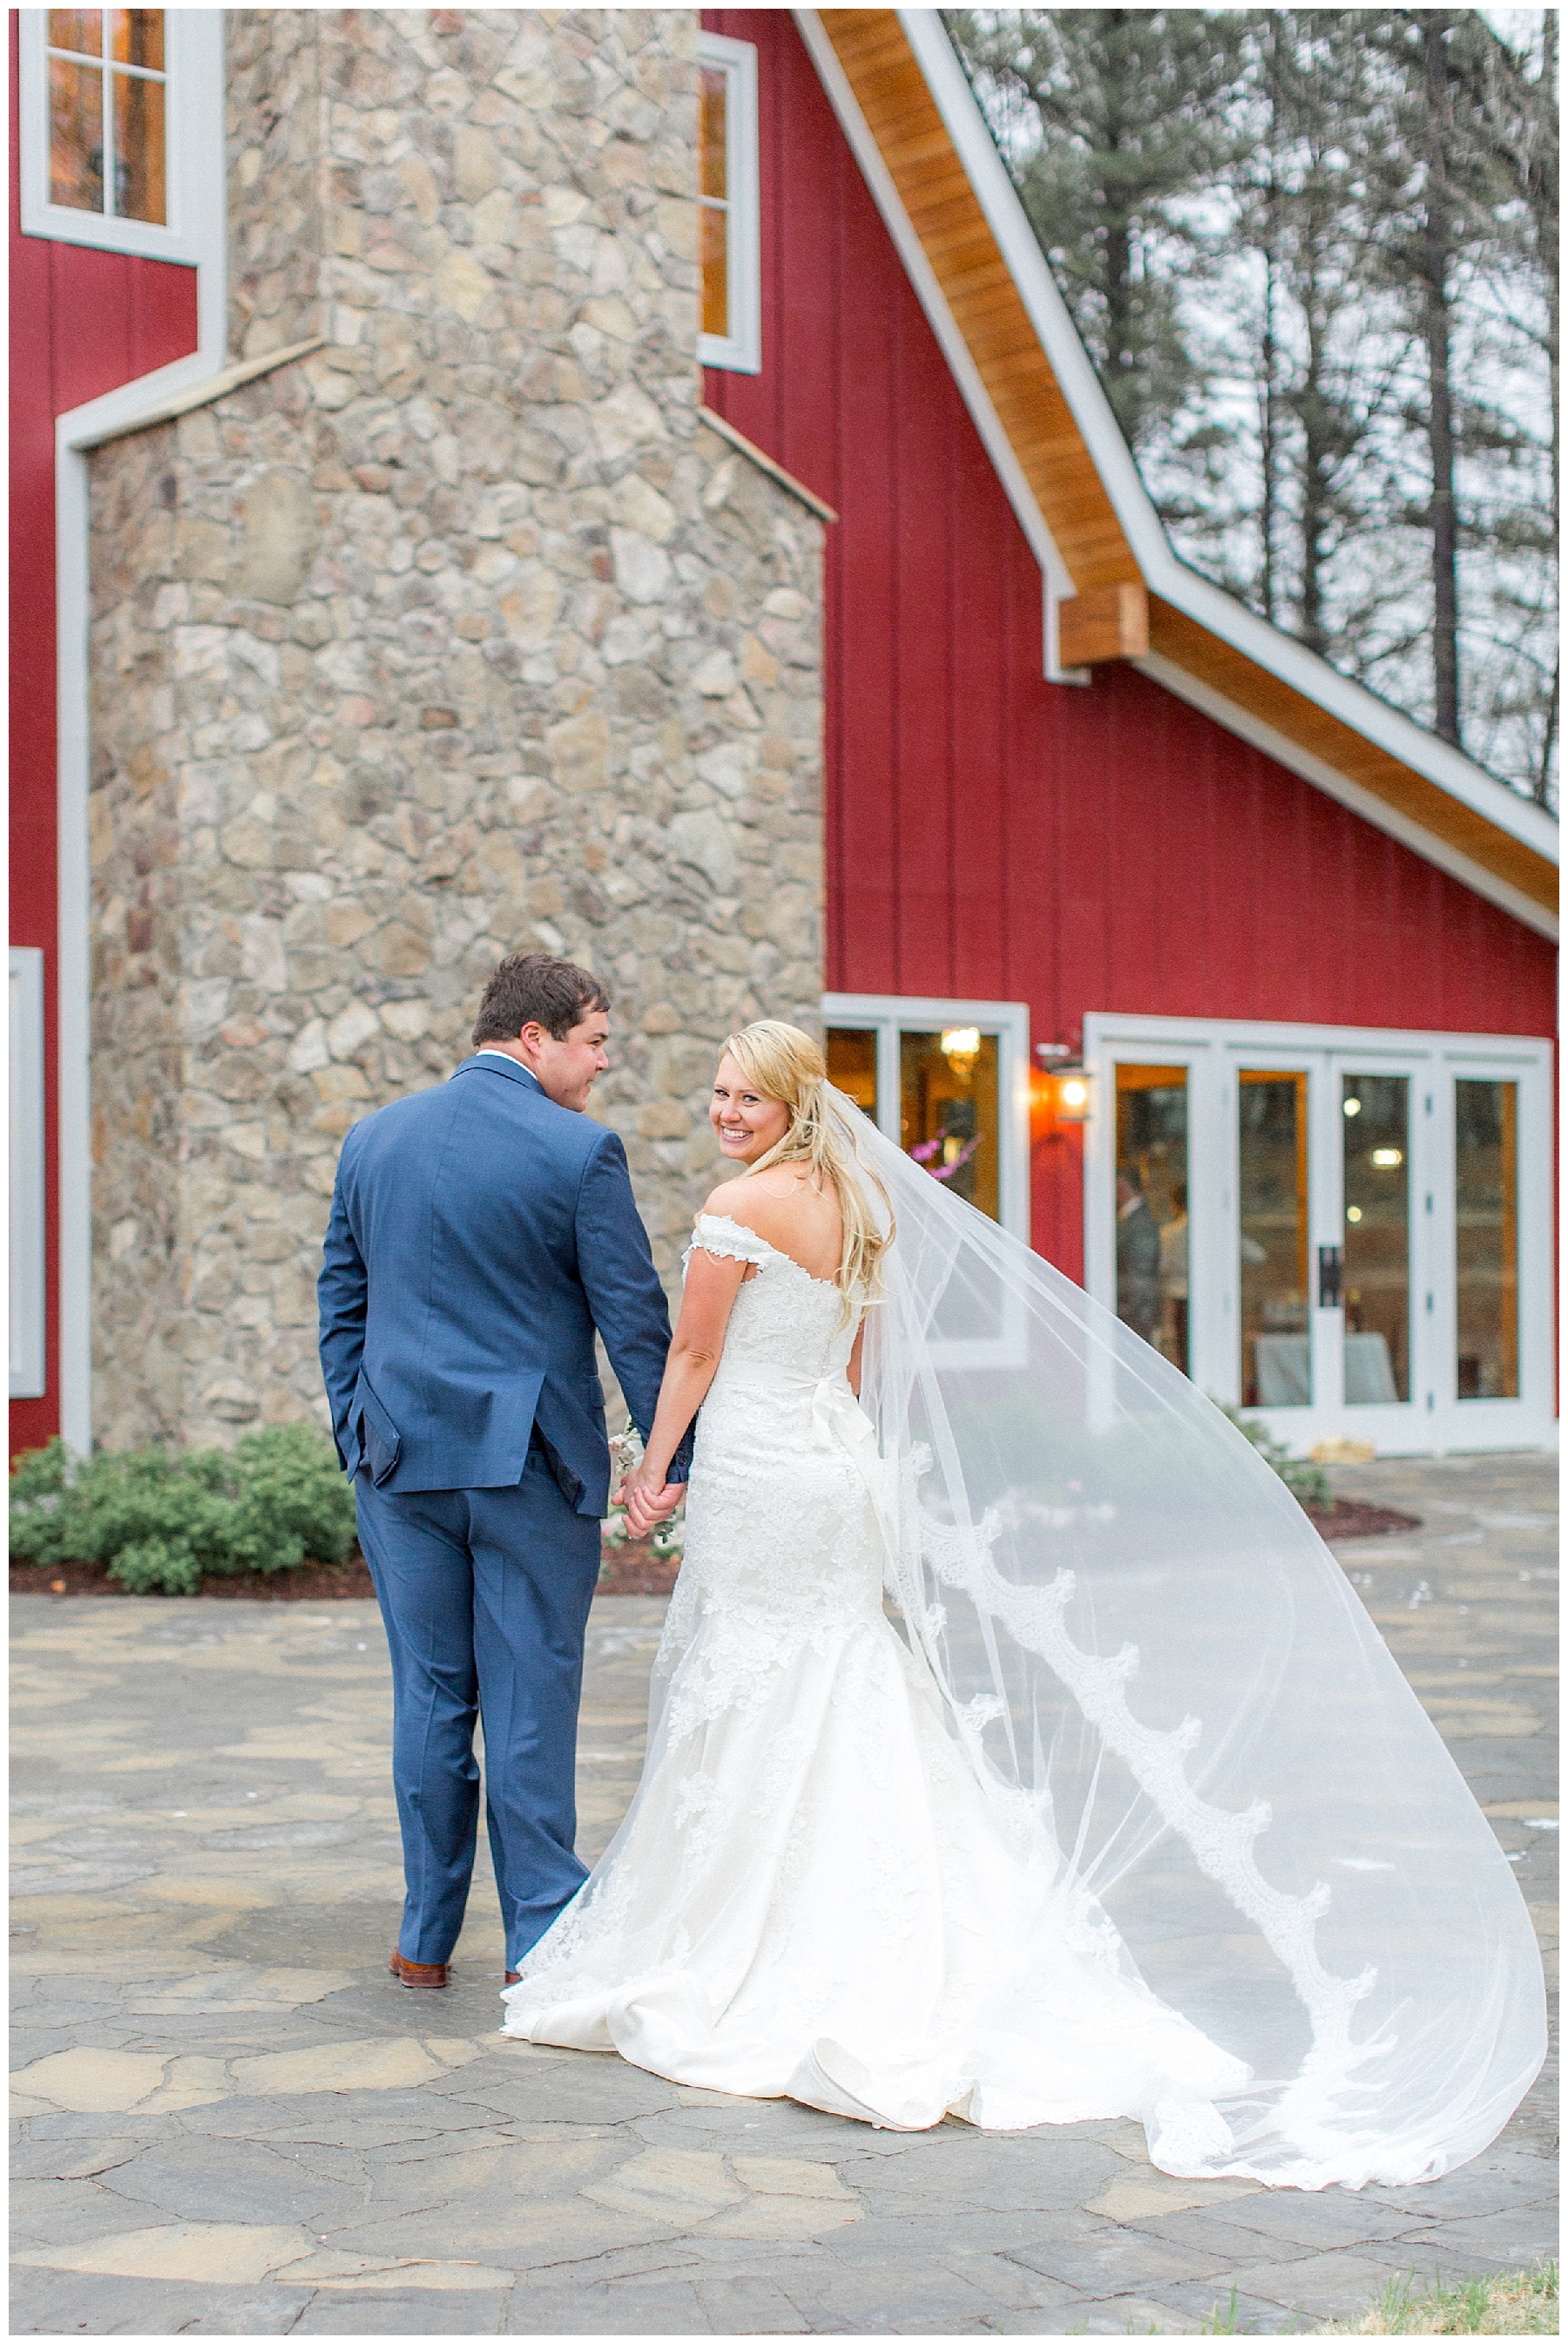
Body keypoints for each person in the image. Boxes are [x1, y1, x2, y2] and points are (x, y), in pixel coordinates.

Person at [500, 1020, 1544, 2188]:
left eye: (744, 1094)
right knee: (833, 1664)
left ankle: (745, 1936)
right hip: (830, 1463)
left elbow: (692, 1354)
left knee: (760, 1668)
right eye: (716, 1089)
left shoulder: (738, 1207)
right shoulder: (859, 1205)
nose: (722, 1109)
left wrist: (652, 1473)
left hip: (760, 1466)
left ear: (794, 1101)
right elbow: (849, 1360)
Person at [317, 952, 691, 1991]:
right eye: (595, 1040)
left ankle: (424, 1939)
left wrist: (358, 1428)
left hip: (397, 1467)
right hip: (529, 1473)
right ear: (535, 1036)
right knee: (530, 1701)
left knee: (429, 1700)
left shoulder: (373, 1137)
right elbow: (635, 1323)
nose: (605, 1062)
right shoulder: (580, 1153)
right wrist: (671, 1459)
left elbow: (339, 1303)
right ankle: (539, 1940)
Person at [1114, 1166, 1162, 1345]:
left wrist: (1127, 1306)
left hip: (1136, 1307)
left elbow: (1142, 1267)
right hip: (1133, 1304)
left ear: (1124, 1185)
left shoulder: (1141, 1221)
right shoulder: (1129, 1218)